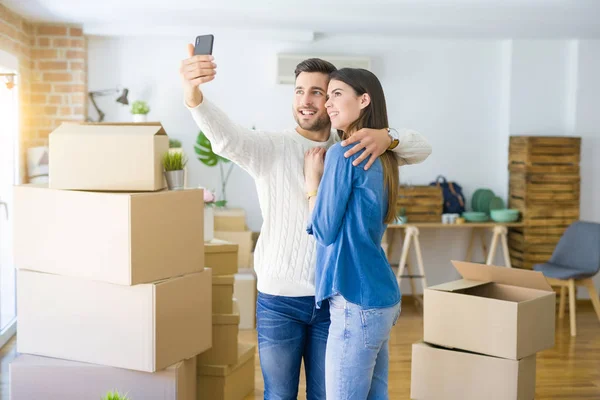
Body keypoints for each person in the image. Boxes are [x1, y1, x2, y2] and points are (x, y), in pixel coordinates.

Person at [180, 45, 431, 399]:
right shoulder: (270, 147)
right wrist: (193, 94)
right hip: (279, 300)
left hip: (332, 299)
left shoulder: (354, 148)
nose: (307, 100)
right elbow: (224, 139)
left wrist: (387, 136)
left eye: (319, 92)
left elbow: (421, 148)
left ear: (332, 100)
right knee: (279, 395)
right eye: (299, 90)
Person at [305, 68, 405, 399]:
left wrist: (312, 186)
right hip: (379, 296)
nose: (327, 103)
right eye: (326, 95)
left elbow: (324, 229)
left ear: (364, 100)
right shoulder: (386, 155)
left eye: (336, 94)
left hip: (354, 301)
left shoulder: (342, 153)